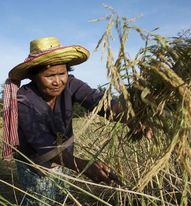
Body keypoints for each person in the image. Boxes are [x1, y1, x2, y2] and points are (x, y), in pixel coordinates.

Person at [2, 36, 123, 205]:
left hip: (65, 159)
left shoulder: (71, 85)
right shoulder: (24, 98)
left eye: (62, 73)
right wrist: (82, 166)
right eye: (49, 75)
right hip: (35, 163)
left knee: (61, 197)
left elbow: (99, 101)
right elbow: (43, 145)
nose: (58, 81)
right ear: (34, 76)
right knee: (39, 200)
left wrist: (130, 116)